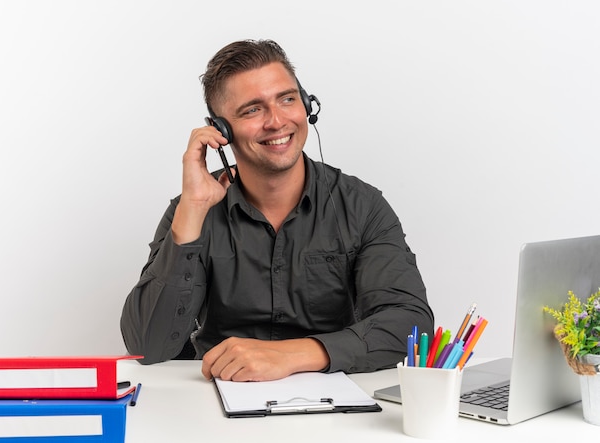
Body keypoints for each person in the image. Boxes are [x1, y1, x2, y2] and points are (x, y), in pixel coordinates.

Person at [120, 39, 433, 382]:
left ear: (307, 105)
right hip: (216, 399)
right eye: (252, 109)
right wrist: (192, 211)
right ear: (220, 131)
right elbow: (146, 346)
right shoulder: (190, 210)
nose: (277, 121)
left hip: (334, 398)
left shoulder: (362, 206)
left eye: (287, 99)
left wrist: (291, 356)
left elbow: (410, 325)